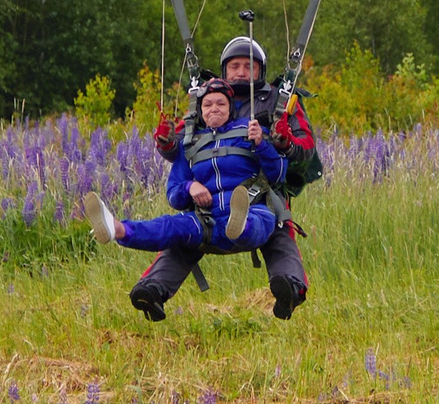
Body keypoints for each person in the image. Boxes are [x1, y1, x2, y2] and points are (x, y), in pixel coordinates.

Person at [137, 35, 318, 320]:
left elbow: (306, 147)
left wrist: (284, 142)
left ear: (260, 70)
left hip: (260, 195)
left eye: (249, 66)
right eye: (235, 66)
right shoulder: (209, 100)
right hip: (211, 200)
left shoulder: (277, 101)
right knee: (185, 236)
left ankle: (289, 290)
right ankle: (151, 291)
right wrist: (166, 142)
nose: (242, 72)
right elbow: (181, 146)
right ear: (224, 70)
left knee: (279, 233)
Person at [89, 80, 286, 321]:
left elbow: (278, 174)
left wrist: (262, 145)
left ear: (231, 108)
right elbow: (173, 193)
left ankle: (239, 224)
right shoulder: (190, 144)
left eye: (221, 104)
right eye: (208, 104)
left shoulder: (251, 131)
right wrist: (190, 186)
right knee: (171, 226)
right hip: (208, 221)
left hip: (253, 211)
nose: (214, 108)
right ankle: (116, 229)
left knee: (259, 220)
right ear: (200, 111)